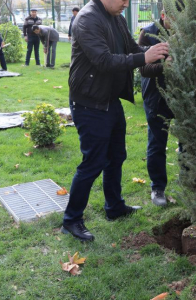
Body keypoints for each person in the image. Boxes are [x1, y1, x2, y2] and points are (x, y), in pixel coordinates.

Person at [62, 0, 169, 242]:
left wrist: (159, 54)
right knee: (93, 162)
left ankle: (115, 207)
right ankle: (72, 219)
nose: (126, 3)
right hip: (89, 103)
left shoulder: (116, 17)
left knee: (116, 156)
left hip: (109, 100)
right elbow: (105, 61)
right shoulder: (87, 18)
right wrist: (145, 58)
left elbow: (132, 49)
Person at [138, 9, 177, 206]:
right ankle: (158, 188)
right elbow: (143, 69)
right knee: (157, 143)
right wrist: (164, 66)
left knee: (189, 143)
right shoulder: (148, 33)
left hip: (183, 97)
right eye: (174, 18)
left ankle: (190, 184)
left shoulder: (187, 32)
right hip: (156, 97)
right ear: (163, 15)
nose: (179, 22)